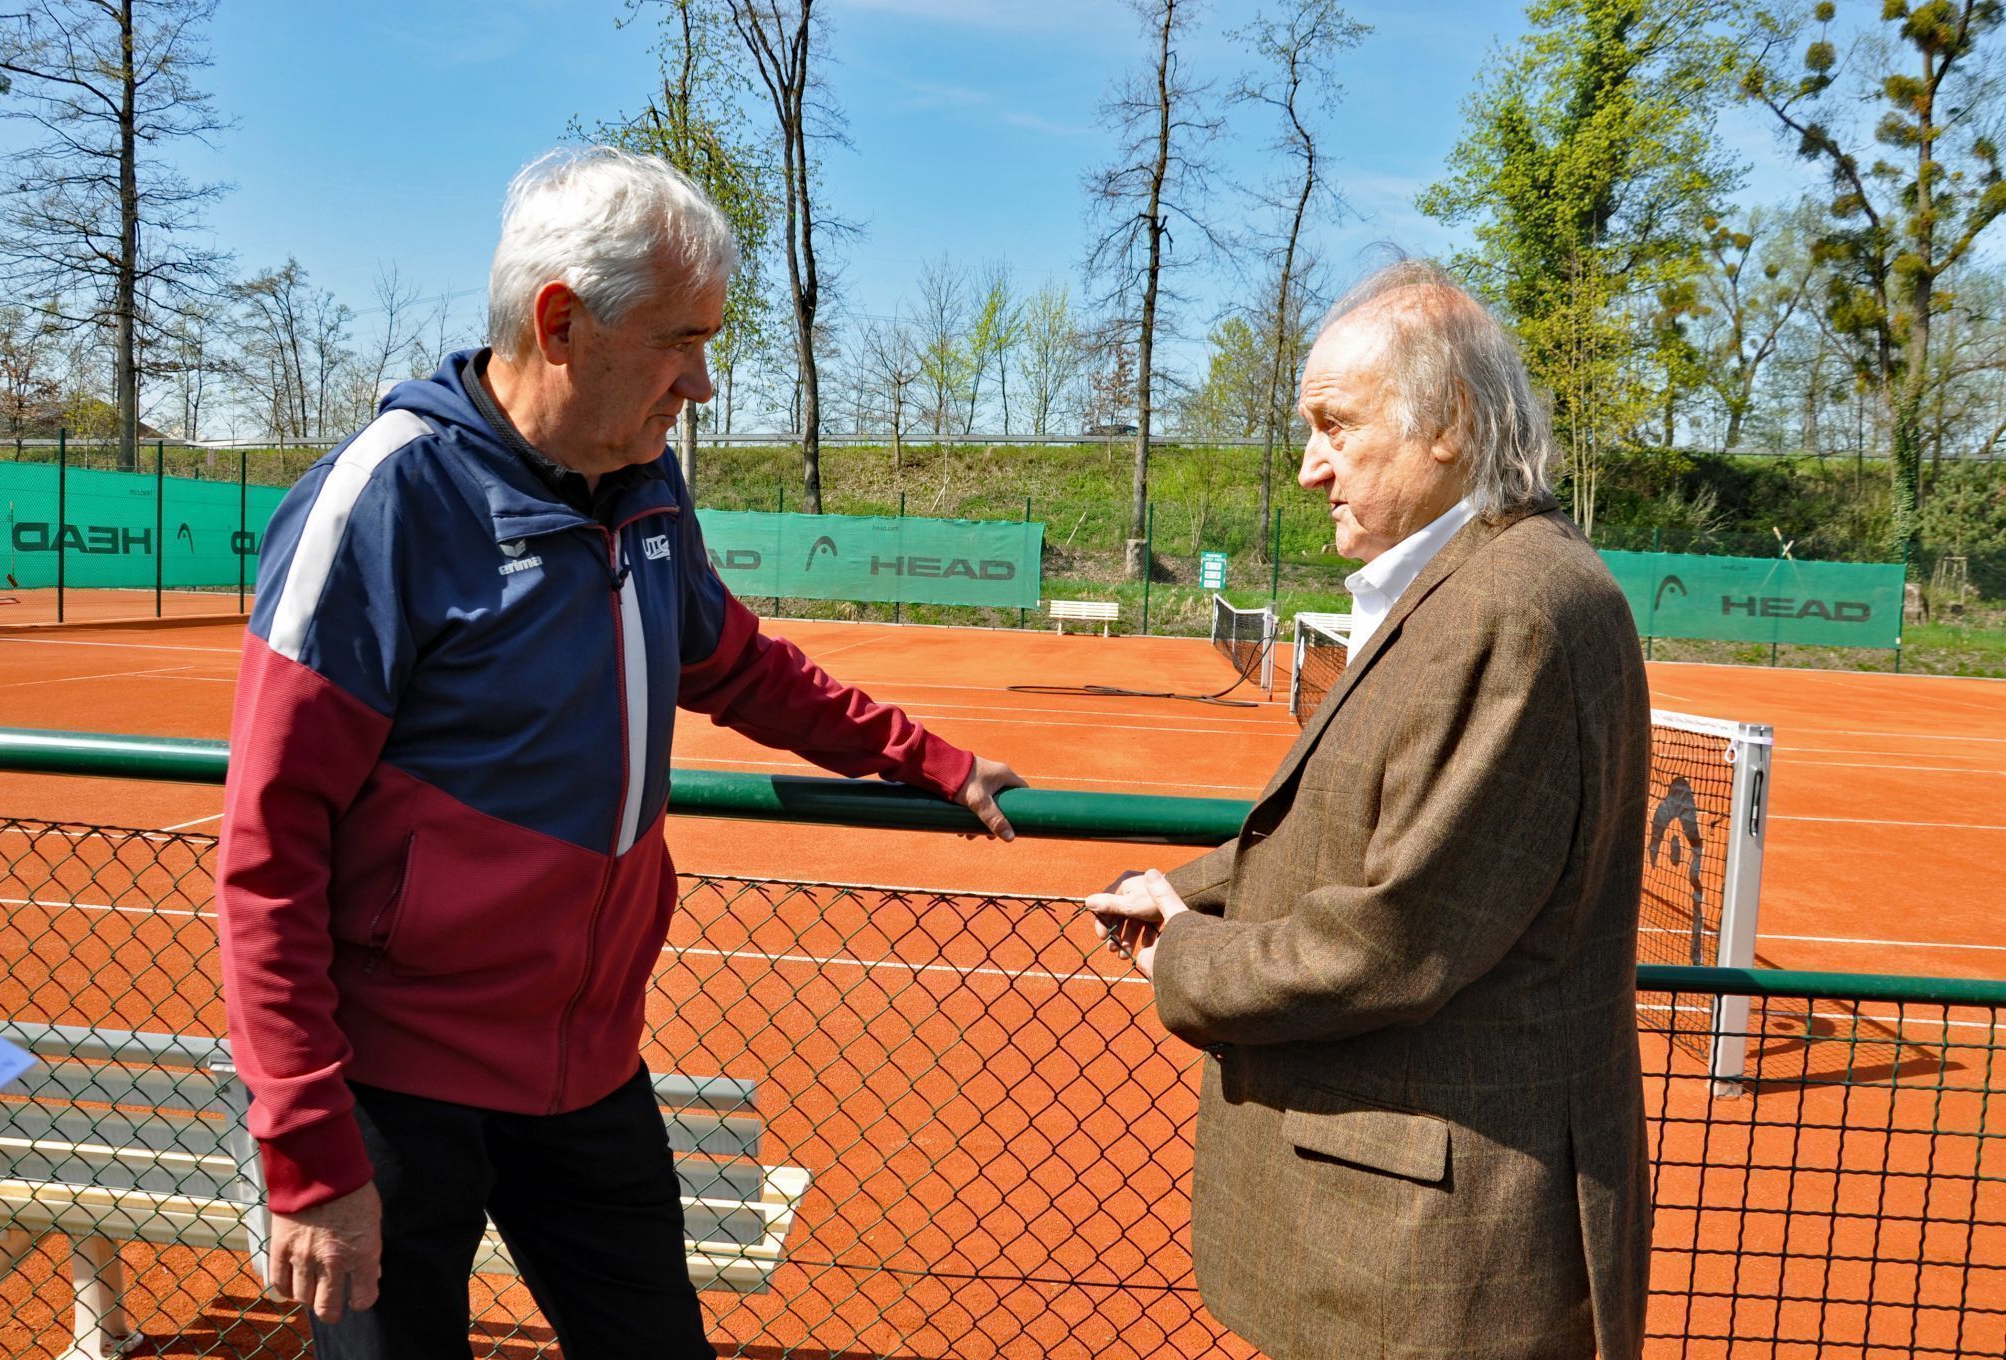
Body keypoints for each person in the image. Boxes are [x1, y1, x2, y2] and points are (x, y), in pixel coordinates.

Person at [215, 146, 1024, 1358]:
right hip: (395, 1086)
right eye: (678, 341)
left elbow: (736, 664)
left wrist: (928, 759)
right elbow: (268, 849)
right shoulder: (382, 502)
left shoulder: (644, 482)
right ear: (559, 323)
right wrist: (306, 1150)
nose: (702, 381)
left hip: (586, 1071)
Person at [1087, 260, 1651, 1360]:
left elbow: (1396, 935)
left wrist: (1185, 956)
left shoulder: (1512, 609)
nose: (1311, 467)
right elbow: (1354, 829)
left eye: (1335, 426)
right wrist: (1185, 889)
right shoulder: (1475, 586)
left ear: (1450, 423)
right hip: (1409, 1241)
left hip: (1439, 1262)